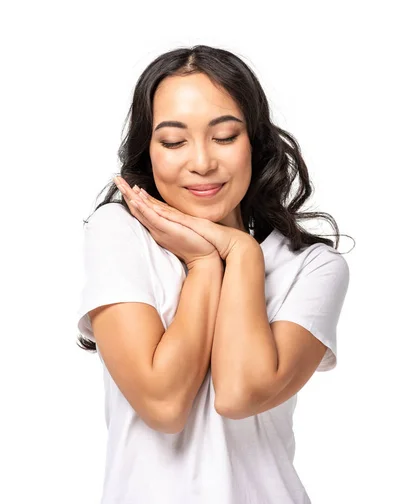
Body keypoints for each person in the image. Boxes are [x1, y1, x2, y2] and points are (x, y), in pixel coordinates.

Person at [76, 45, 353, 503]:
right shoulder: (119, 233)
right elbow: (163, 404)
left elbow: (240, 393)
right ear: (149, 150)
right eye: (173, 141)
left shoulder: (314, 267)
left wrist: (241, 252)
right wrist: (205, 264)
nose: (202, 162)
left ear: (255, 144)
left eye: (224, 136)